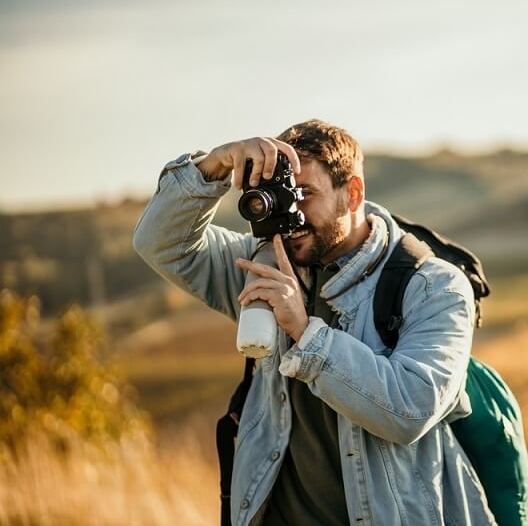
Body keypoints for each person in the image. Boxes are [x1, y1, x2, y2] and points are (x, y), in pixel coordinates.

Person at [133, 120, 495, 525]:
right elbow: (159, 244)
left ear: (353, 193)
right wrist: (214, 165)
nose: (292, 213)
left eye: (305, 194)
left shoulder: (434, 285)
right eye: (283, 194)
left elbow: (410, 409)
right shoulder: (264, 267)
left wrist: (306, 333)